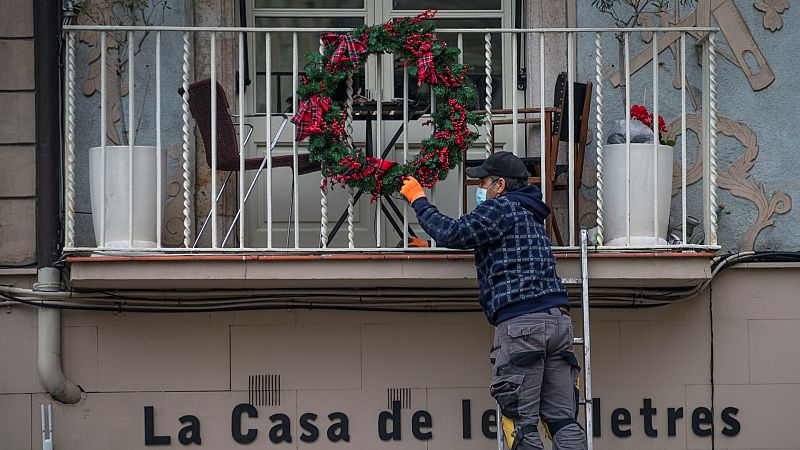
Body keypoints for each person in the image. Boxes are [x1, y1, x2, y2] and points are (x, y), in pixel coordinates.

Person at [400, 151, 586, 450]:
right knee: (562, 421)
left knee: (521, 426)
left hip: (523, 325)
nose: (481, 188)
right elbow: (498, 245)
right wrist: (429, 244)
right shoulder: (529, 212)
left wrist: (419, 200)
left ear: (500, 185)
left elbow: (454, 232)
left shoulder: (501, 207)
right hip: (557, 321)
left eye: (484, 181)